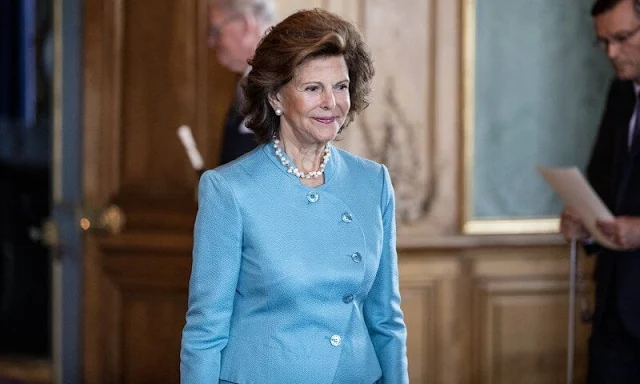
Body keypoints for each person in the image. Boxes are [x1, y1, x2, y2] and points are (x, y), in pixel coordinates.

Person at [181, 8, 409, 383]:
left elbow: (386, 319)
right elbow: (206, 330)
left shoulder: (373, 182)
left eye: (340, 86)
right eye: (312, 88)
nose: (331, 103)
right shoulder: (229, 190)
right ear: (275, 97)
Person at [560, 0, 640, 382]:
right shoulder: (621, 93)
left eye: (622, 38)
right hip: (615, 307)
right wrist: (583, 220)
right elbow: (601, 184)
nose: (611, 52)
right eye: (603, 42)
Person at [207, 0, 275, 165]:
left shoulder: (278, 82)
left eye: (216, 31)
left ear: (246, 25)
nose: (210, 42)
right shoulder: (247, 81)